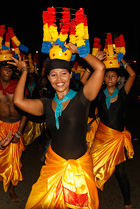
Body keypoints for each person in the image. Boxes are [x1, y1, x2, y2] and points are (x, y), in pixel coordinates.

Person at [8, 41, 105, 209]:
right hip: (53, 166)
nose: (59, 79)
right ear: (48, 78)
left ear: (70, 75)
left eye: (63, 74)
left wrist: (81, 52)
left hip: (79, 170)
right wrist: (24, 71)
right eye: (53, 75)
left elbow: (100, 69)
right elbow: (18, 100)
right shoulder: (46, 104)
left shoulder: (82, 98)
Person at [0, 53, 27, 201]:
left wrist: (18, 133)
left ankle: (11, 188)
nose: (8, 72)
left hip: (15, 126)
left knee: (14, 161)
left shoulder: (18, 86)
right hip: (0, 126)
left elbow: (26, 111)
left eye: (11, 70)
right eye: (5, 69)